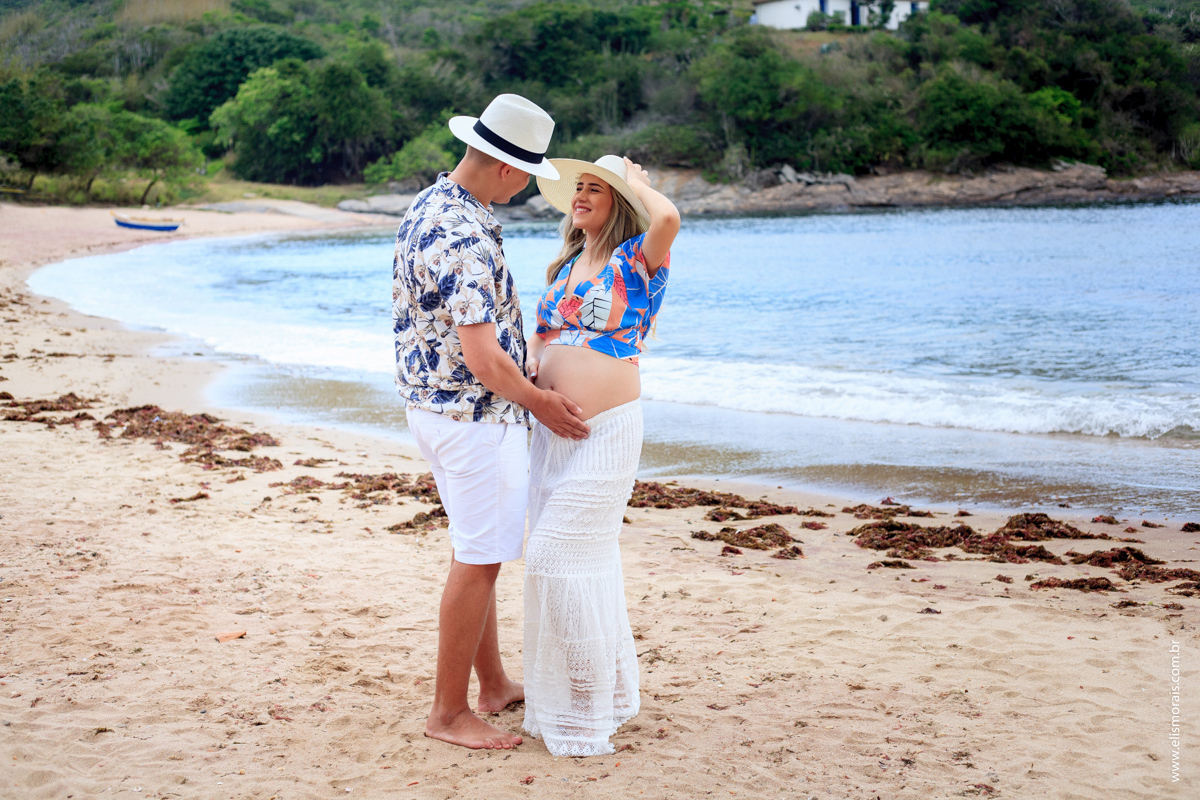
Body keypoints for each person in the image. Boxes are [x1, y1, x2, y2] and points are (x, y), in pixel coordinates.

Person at [392, 94, 590, 751]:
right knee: (479, 561)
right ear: (508, 170)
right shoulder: (468, 234)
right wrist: (543, 405)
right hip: (475, 419)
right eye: (531, 175)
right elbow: (482, 356)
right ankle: (448, 714)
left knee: (474, 551)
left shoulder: (431, 203)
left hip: (433, 409)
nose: (532, 186)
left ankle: (494, 684)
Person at [521, 154, 681, 756]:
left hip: (606, 432)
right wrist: (531, 381)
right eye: (578, 187)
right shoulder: (564, 266)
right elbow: (541, 338)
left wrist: (636, 181)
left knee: (555, 557)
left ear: (619, 201)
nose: (582, 196)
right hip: (552, 434)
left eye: (596, 188)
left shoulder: (636, 258)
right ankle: (602, 694)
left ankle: (586, 696)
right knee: (585, 561)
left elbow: (670, 217)